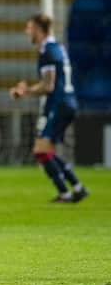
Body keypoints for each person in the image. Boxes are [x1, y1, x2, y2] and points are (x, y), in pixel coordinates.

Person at [9, 14, 88, 203]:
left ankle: (66, 193)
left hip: (58, 104)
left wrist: (24, 91)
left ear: (38, 29)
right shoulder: (57, 48)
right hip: (64, 103)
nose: (27, 32)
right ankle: (76, 188)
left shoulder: (48, 52)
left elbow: (48, 86)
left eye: (29, 28)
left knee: (41, 151)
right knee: (46, 151)